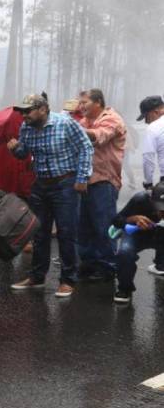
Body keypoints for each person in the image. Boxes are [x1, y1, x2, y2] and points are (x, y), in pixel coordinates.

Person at [7, 94, 94, 297]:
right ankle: (37, 277)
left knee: (66, 233)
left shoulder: (65, 123)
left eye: (28, 111)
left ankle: (67, 280)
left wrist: (82, 178)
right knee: (39, 232)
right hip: (40, 185)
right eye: (22, 111)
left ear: (43, 109)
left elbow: (86, 148)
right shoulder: (26, 128)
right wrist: (16, 149)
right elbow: (24, 154)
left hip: (65, 184)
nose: (24, 115)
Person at [77, 89, 126, 281]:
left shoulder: (112, 119)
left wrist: (72, 128)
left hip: (104, 180)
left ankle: (107, 267)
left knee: (103, 225)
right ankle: (89, 264)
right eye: (80, 103)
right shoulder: (84, 121)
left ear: (98, 102)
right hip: (85, 181)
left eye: (84, 103)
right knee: (84, 225)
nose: (80, 107)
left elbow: (99, 136)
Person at [113, 182, 164, 303]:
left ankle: (161, 263)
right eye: (160, 208)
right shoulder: (140, 199)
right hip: (137, 235)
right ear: (151, 199)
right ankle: (125, 288)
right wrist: (133, 219)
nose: (162, 213)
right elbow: (116, 221)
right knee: (125, 252)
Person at [140, 95, 164, 190]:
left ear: (156, 112)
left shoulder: (153, 128)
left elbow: (148, 158)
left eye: (146, 117)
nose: (146, 122)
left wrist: (148, 184)